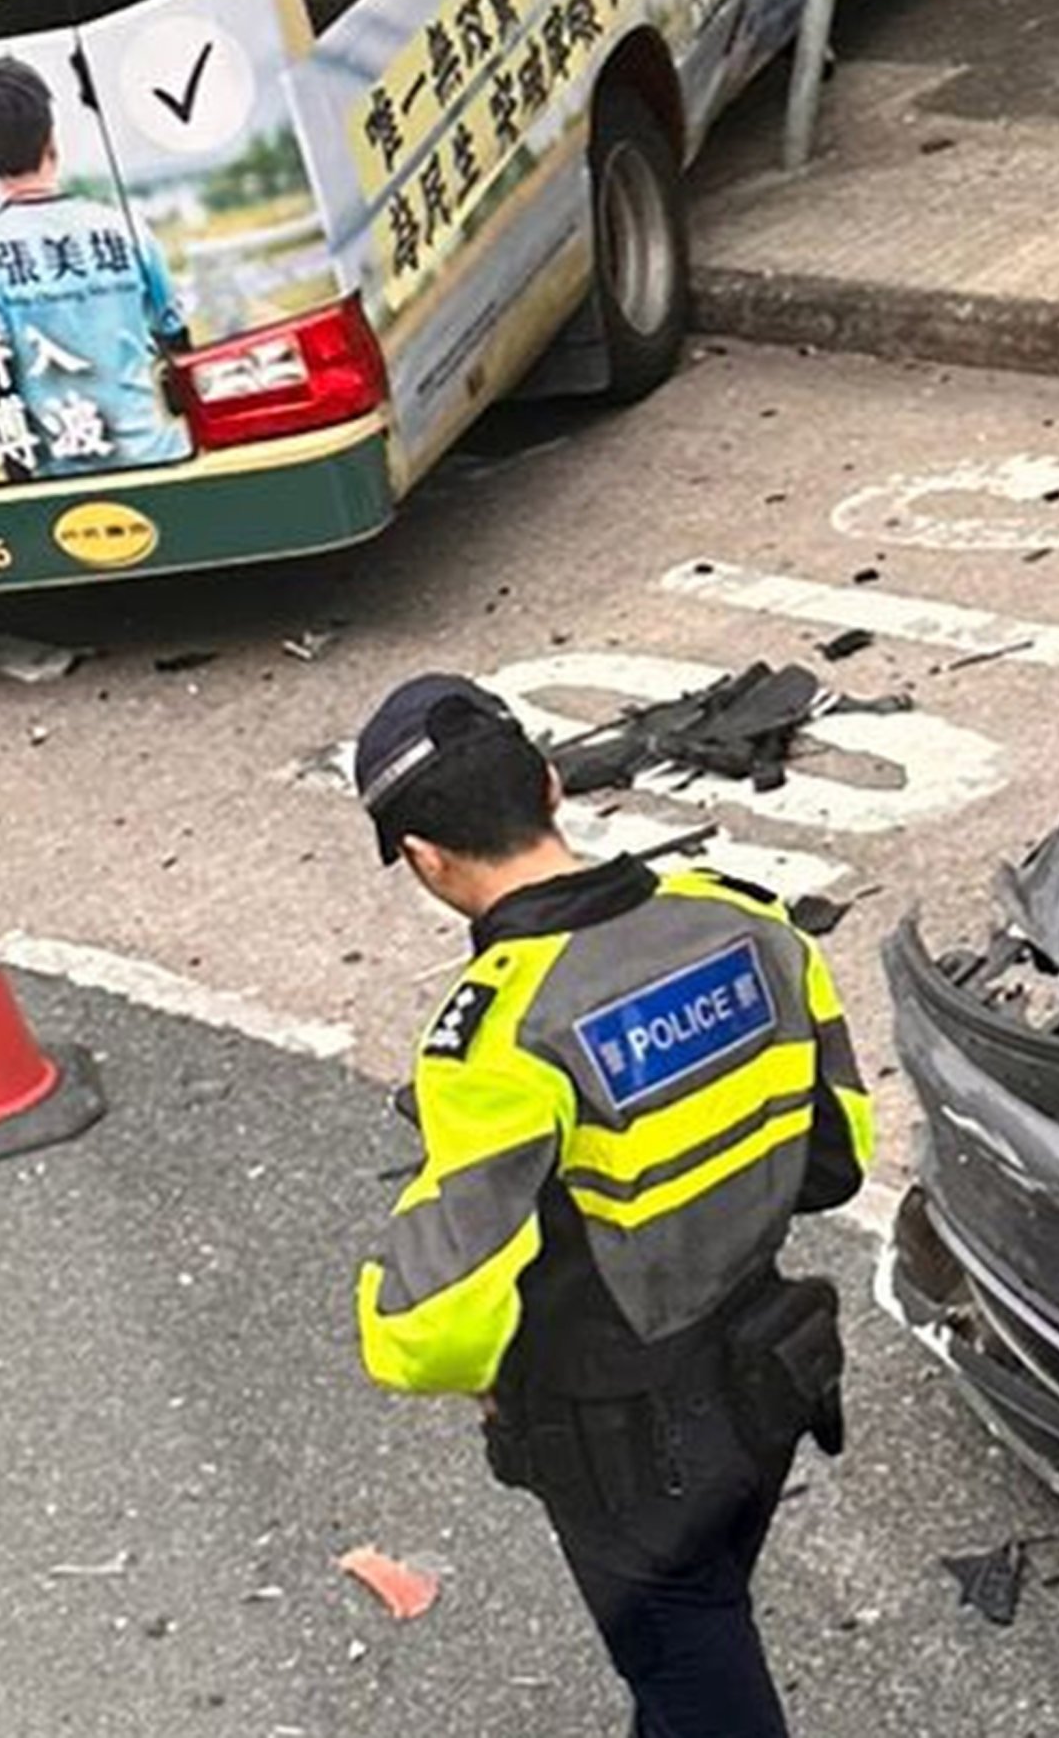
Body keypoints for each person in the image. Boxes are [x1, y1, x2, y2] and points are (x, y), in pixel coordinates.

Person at [351, 675, 869, 1738]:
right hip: (766, 1376)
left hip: (619, 1443)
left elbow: (430, 1334)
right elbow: (836, 1158)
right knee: (695, 1649)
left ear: (423, 859)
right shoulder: (746, 919)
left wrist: (379, 1289)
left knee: (696, 1677)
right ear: (549, 785)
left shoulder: (493, 1035)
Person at [0, 55, 191, 476]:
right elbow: (176, 339)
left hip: (62, 476)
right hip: (161, 456)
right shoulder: (125, 228)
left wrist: (25, 486)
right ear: (51, 138)